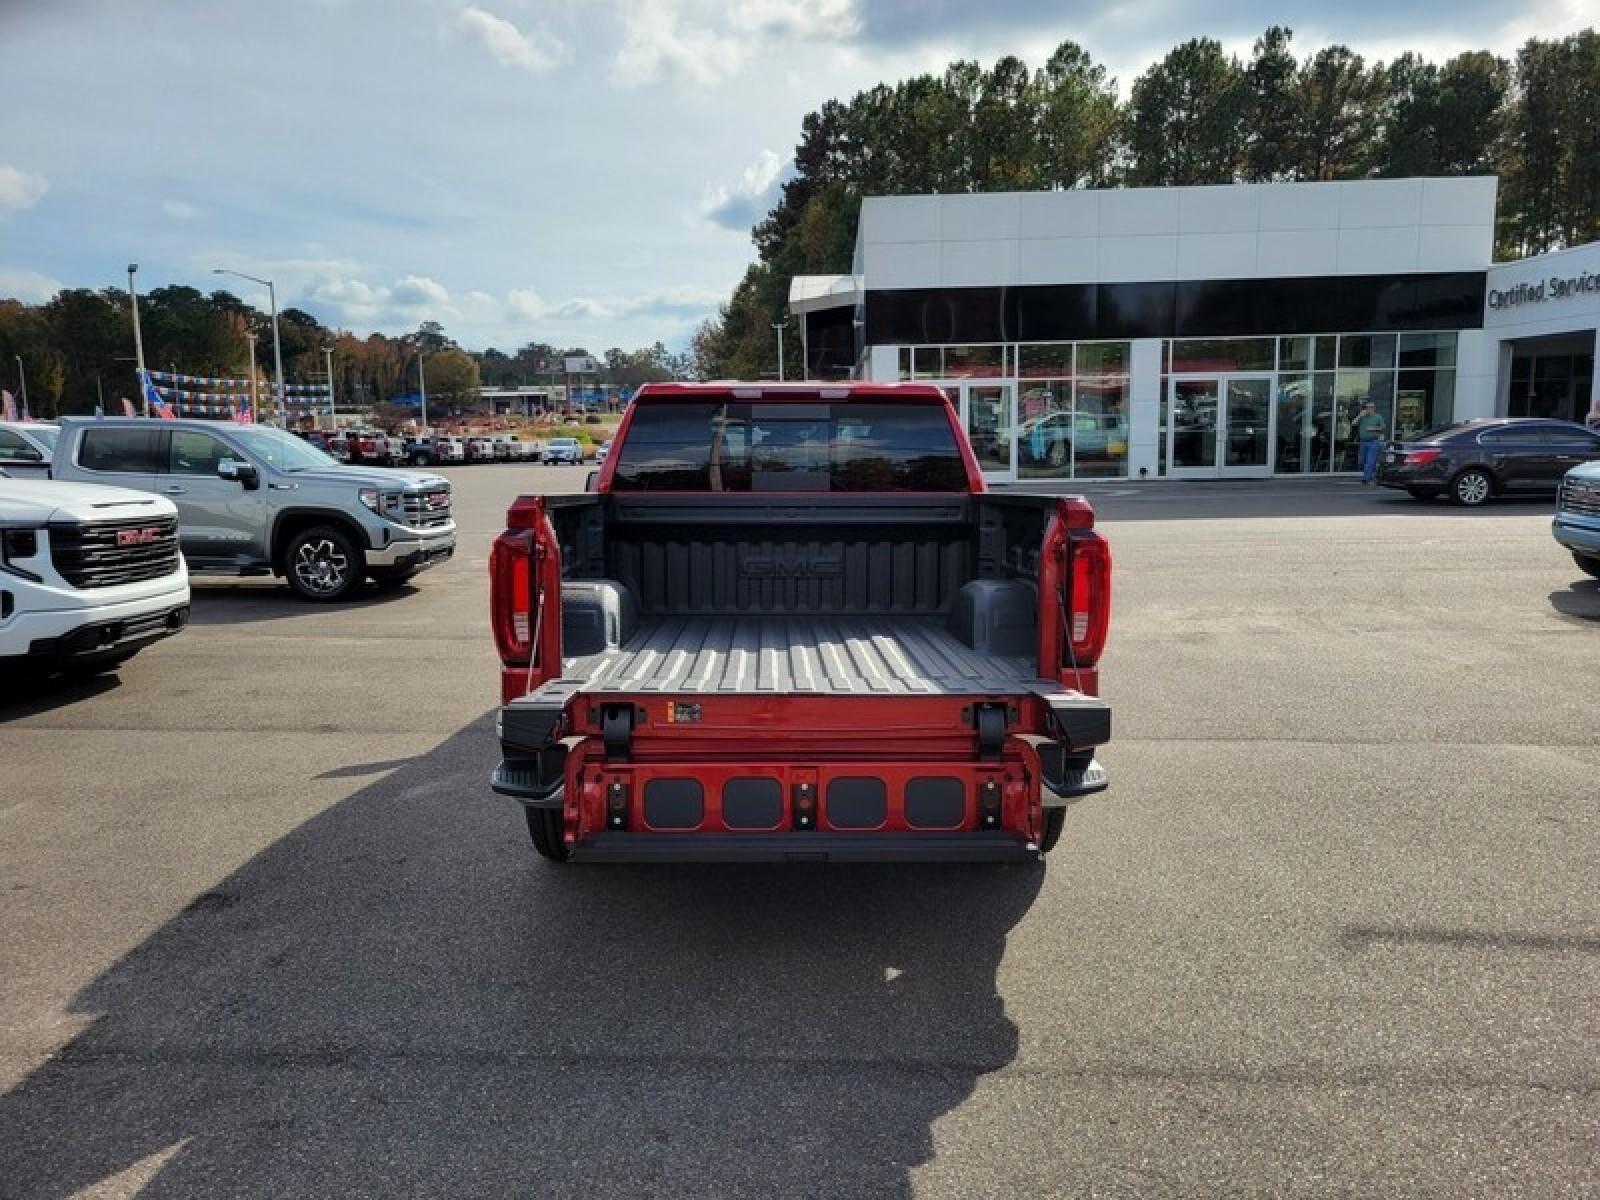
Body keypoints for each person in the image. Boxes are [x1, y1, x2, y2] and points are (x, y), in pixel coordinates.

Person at [1353, 399, 1386, 484]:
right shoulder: (1362, 417)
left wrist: (1373, 428)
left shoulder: (1378, 417)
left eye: (1371, 407)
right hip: (1363, 442)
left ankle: (1366, 478)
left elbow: (1383, 428)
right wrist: (1359, 416)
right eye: (1367, 407)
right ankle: (1370, 476)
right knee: (1363, 461)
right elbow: (1353, 423)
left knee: (1370, 461)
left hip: (1373, 442)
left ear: (1374, 408)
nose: (1369, 409)